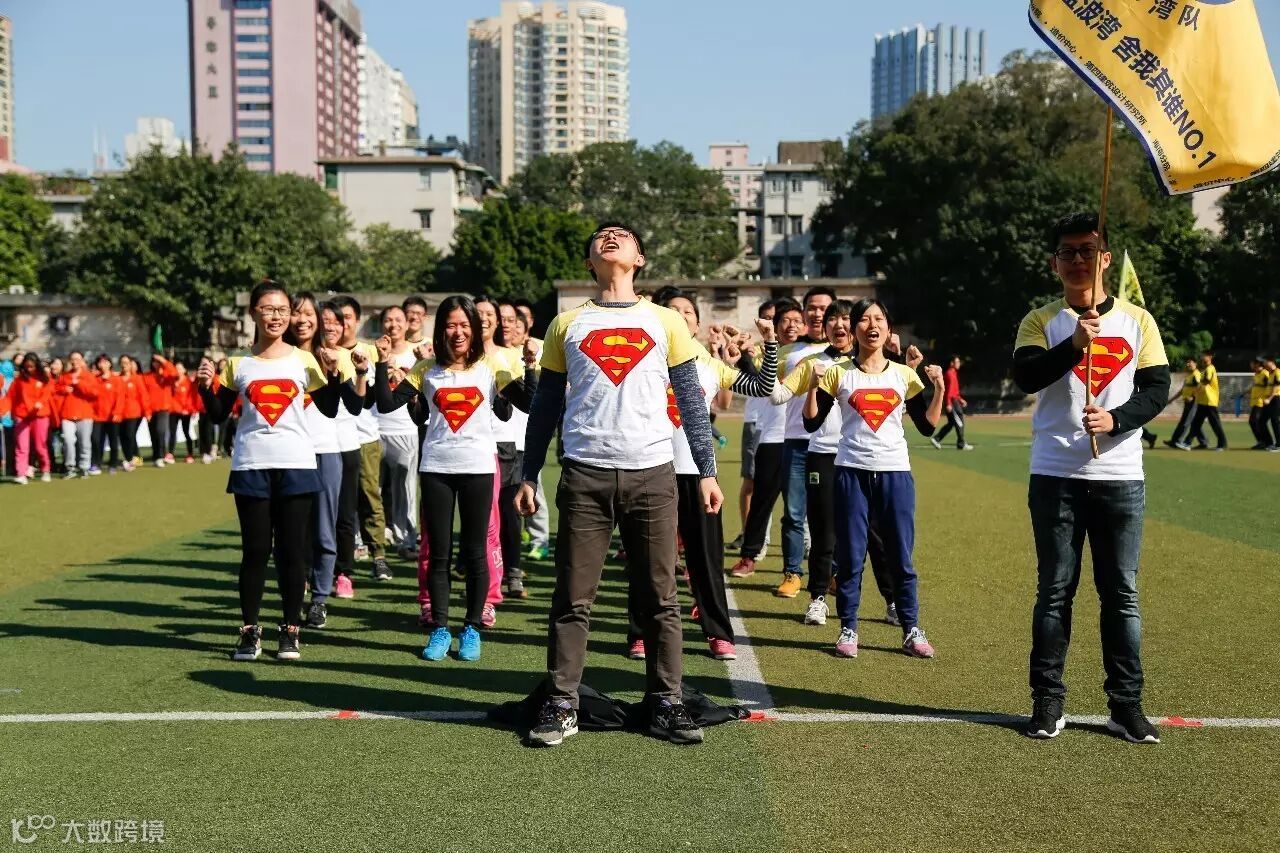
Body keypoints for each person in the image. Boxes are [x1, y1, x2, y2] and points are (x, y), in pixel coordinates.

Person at [516, 222, 722, 748]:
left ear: (640, 258)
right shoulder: (566, 324)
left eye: (622, 235)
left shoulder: (665, 320)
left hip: (653, 474)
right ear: (589, 261)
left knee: (660, 597)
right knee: (572, 597)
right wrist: (528, 472)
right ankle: (562, 703)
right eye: (601, 236)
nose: (610, 238)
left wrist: (707, 470)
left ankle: (667, 701)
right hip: (583, 475)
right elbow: (546, 406)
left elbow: (690, 400)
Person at [1014, 212, 1170, 744]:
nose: (1077, 260)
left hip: (1120, 475)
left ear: (1105, 259)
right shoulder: (1041, 320)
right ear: (1054, 263)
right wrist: (1073, 346)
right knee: (1055, 592)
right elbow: (1027, 376)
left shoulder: (1138, 321)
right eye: (1067, 252)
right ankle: (1047, 702)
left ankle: (1126, 707)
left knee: (1121, 594)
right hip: (1055, 473)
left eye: (1087, 250)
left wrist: (1116, 420)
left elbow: (1156, 389)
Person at [197, 279, 352, 662]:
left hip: (297, 465)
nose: (276, 316)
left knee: (291, 553)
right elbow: (217, 415)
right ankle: (249, 631)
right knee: (254, 552)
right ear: (253, 313)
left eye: (283, 310)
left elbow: (330, 407)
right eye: (268, 309)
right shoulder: (237, 363)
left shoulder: (304, 361)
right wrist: (204, 387)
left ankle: (290, 629)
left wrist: (334, 375)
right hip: (251, 466)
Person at [378, 295, 535, 662]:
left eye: (465, 324)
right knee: (439, 554)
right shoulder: (426, 369)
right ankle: (439, 629)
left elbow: (528, 403)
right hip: (436, 469)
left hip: (479, 469)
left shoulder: (490, 366)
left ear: (475, 329)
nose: (458, 332)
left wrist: (530, 366)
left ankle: (471, 629)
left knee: (477, 552)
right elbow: (386, 404)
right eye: (451, 325)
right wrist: (382, 363)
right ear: (441, 330)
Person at [624, 285, 776, 662]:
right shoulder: (642, 360)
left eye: (687, 312)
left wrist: (768, 344)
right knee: (647, 560)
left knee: (706, 560)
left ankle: (718, 632)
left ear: (696, 324)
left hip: (698, 475)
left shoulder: (709, 365)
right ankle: (641, 633)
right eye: (671, 310)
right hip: (650, 472)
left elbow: (762, 387)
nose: (679, 316)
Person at [803, 298, 943, 660]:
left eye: (878, 318)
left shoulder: (904, 375)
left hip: (896, 473)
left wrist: (940, 389)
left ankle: (911, 629)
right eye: (864, 319)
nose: (871, 325)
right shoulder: (838, 373)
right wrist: (812, 386)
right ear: (854, 329)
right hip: (850, 472)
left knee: (900, 556)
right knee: (850, 556)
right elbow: (811, 423)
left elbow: (927, 426)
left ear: (888, 327)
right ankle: (848, 628)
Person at [287, 294, 363, 631]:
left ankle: (319, 598)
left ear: (319, 320)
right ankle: (295, 591)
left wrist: (340, 372)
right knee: (291, 531)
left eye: (308, 313)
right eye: (296, 313)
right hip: (286, 453)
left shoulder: (332, 356)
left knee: (323, 529)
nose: (302, 319)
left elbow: (352, 405)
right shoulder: (278, 356)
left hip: (324, 450)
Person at [729, 298, 805, 579]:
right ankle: (749, 556)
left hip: (805, 438)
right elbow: (754, 377)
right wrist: (743, 353)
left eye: (797, 321)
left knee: (804, 507)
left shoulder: (813, 354)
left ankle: (807, 564)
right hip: (772, 437)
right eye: (785, 320)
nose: (791, 326)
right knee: (762, 502)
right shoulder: (766, 354)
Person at [332, 295, 391, 592]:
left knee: (369, 496)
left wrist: (373, 367)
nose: (341, 324)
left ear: (357, 320)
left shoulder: (368, 351)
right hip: (331, 439)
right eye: (336, 319)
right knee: (333, 503)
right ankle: (334, 561)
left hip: (364, 437)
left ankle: (378, 554)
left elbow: (374, 399)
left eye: (347, 318)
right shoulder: (321, 353)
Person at [729, 300, 779, 555]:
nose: (771, 323)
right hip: (756, 422)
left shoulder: (795, 351)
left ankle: (805, 542)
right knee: (751, 483)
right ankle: (749, 533)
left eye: (775, 318)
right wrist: (742, 350)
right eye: (766, 318)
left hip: (786, 428)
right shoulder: (754, 350)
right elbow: (757, 380)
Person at [374, 305, 421, 560]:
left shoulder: (417, 356)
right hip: (375, 430)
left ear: (406, 323)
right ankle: (370, 542)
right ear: (381, 323)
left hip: (405, 430)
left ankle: (407, 541)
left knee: (405, 490)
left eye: (398, 319)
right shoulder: (372, 352)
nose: (393, 325)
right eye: (388, 320)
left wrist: (402, 374)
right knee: (372, 491)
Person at [9, 353, 54, 484]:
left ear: (37, 365)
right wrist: (11, 413)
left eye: (32, 366)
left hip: (40, 415)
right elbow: (12, 397)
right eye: (27, 366)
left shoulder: (44, 378)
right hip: (22, 416)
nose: (29, 369)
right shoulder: (19, 380)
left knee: (40, 446)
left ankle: (45, 469)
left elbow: (47, 393)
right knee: (22, 446)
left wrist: (40, 402)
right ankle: (21, 474)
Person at [55, 350, 100, 479]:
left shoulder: (88, 376)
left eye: (77, 359)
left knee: (84, 442)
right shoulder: (65, 376)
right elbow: (56, 390)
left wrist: (78, 383)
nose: (75, 362)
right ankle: (70, 467)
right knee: (68, 440)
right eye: (73, 359)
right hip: (67, 414)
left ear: (82, 361)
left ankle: (84, 467)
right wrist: (64, 389)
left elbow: (94, 393)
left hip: (84, 414)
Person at [1182, 351, 1226, 451]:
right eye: (1202, 355)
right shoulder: (1205, 369)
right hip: (1203, 401)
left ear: (1210, 357)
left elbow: (1205, 383)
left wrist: (1193, 395)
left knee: (1215, 424)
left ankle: (1222, 444)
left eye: (1204, 355)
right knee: (1196, 423)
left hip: (1209, 401)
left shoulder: (1210, 369)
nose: (1202, 357)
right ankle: (1187, 443)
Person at [931, 356, 974, 451]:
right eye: (957, 362)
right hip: (952, 403)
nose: (959, 364)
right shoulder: (950, 374)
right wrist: (948, 404)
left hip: (954, 401)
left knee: (951, 423)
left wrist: (960, 399)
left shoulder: (953, 373)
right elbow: (948, 392)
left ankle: (936, 439)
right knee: (959, 421)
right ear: (952, 363)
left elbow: (955, 391)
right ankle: (961, 443)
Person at [90, 354, 123, 475]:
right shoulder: (95, 379)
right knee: (96, 440)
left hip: (112, 417)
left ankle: (113, 464)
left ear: (109, 363)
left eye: (105, 362)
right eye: (100, 362)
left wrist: (117, 412)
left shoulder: (116, 379)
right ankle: (96, 463)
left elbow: (120, 398)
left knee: (114, 442)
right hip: (97, 416)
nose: (102, 365)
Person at [116, 355, 150, 471]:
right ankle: (132, 458)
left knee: (130, 435)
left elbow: (143, 395)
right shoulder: (117, 379)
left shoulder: (136, 379)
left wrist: (147, 411)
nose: (124, 365)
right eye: (122, 362)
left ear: (131, 365)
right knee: (123, 436)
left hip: (134, 412)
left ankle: (131, 459)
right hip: (120, 413)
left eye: (126, 363)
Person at [144, 354, 177, 467]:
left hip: (163, 408)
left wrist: (164, 361)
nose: (156, 364)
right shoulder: (147, 376)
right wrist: (147, 411)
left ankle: (161, 455)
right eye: (155, 361)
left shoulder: (167, 375)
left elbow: (174, 373)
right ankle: (156, 455)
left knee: (160, 431)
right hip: (151, 409)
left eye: (158, 362)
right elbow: (144, 395)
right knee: (153, 433)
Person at [1162, 359, 1203, 450]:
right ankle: (1203, 441)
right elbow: (1182, 390)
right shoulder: (1189, 376)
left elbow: (1200, 387)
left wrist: (1192, 397)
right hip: (1188, 402)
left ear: (1195, 363)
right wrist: (1171, 399)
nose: (1188, 364)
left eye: (1190, 362)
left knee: (1186, 422)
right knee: (1191, 422)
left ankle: (1178, 441)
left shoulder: (1196, 375)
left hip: (1193, 402)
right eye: (1187, 362)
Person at [168, 363, 196, 463]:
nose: (178, 370)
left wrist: (189, 409)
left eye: (180, 368)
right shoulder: (172, 382)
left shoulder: (189, 382)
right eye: (176, 369)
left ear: (184, 370)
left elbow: (191, 397)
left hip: (185, 412)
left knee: (186, 432)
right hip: (173, 411)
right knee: (172, 432)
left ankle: (190, 454)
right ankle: (170, 454)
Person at [1247, 357, 1275, 450]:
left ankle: (1265, 442)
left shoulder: (1264, 373)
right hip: (1255, 401)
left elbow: (1270, 386)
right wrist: (1246, 392)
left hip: (1261, 401)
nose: (1251, 365)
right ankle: (1263, 442)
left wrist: (1268, 399)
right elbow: (1257, 386)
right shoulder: (1256, 374)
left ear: (1258, 364)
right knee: (1256, 422)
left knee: (1254, 421)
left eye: (1253, 363)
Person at [1268, 356, 1280, 453]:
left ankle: (1279, 445)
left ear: (1272, 362)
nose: (1265, 363)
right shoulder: (1271, 373)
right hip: (1273, 399)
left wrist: (1269, 398)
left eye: (1267, 362)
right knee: (1274, 421)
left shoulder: (1277, 372)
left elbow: (1276, 387)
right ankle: (1277, 443)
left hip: (1276, 398)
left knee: (1276, 421)